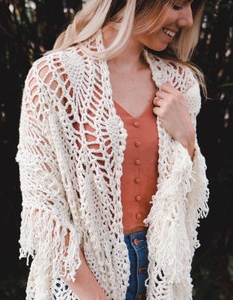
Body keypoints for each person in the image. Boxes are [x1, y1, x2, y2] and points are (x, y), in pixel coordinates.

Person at [16, 0, 210, 299]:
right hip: (79, 279)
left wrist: (187, 137)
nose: (186, 20)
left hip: (158, 274)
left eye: (191, 10)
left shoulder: (180, 83)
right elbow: (43, 210)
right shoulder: (55, 76)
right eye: (177, 5)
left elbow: (187, 203)